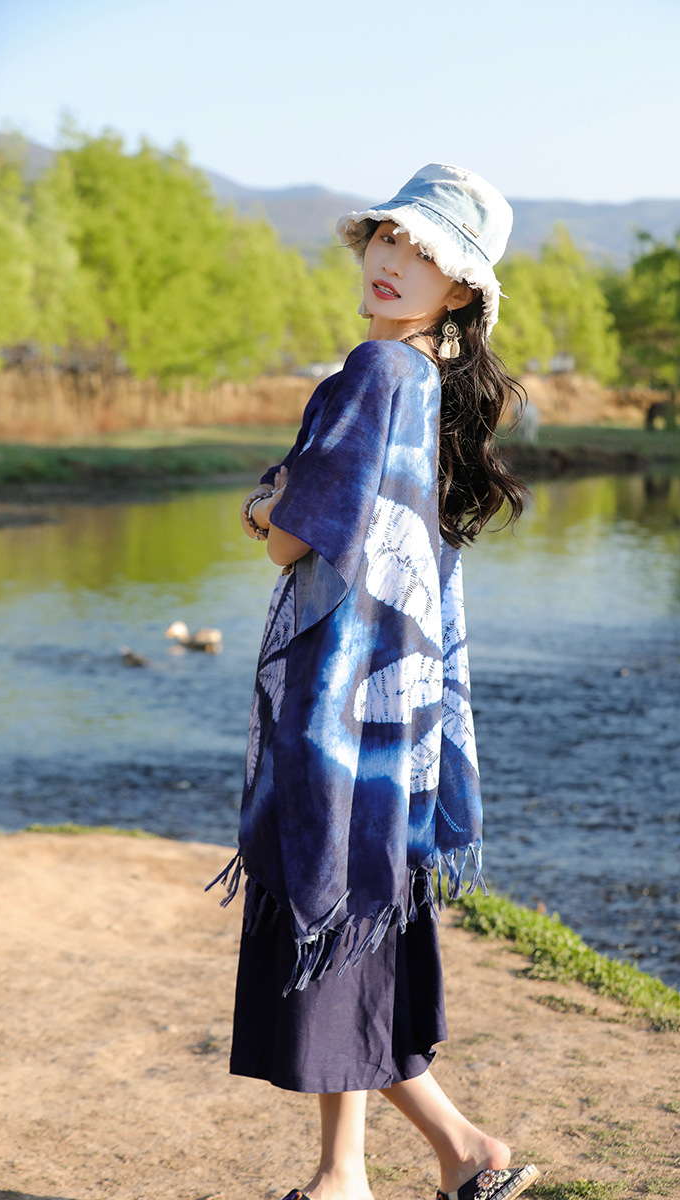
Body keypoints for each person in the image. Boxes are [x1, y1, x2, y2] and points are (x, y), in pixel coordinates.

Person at [210, 164, 539, 1200]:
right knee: (353, 918)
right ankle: (428, 1160)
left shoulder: (374, 372)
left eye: (424, 254)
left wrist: (265, 507)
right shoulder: (427, 384)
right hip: (397, 705)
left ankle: (365, 1170)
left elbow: (295, 536)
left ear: (459, 290)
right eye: (390, 238)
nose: (394, 262)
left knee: (328, 906)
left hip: (338, 701)